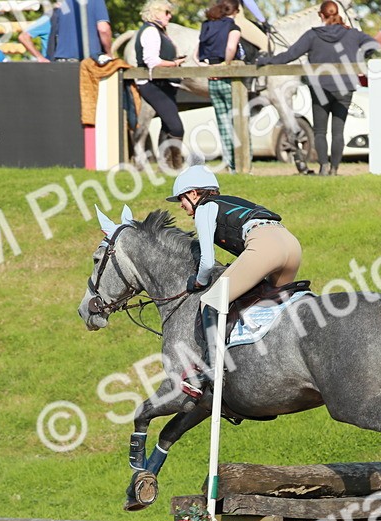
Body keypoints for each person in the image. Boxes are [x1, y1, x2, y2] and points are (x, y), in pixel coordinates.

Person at [166, 165, 303, 395]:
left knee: (210, 301)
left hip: (265, 245)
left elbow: (207, 262)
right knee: (267, 302)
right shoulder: (229, 202)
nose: (181, 205)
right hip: (291, 244)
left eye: (181, 198)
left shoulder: (205, 208)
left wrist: (199, 282)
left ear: (193, 194)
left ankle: (211, 369)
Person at [257, 0, 381, 175]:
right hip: (345, 88)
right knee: (338, 131)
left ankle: (323, 167)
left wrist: (267, 61)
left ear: (321, 15)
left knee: (320, 131)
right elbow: (374, 45)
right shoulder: (353, 34)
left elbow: (289, 55)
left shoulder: (312, 35)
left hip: (320, 88)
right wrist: (358, 58)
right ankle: (334, 170)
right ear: (338, 14)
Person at [135, 0, 187, 169]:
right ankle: (175, 167)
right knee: (176, 128)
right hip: (153, 84)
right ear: (156, 12)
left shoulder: (159, 30)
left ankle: (166, 167)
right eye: (166, 12)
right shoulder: (150, 31)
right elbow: (152, 61)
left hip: (163, 84)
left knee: (167, 126)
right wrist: (174, 64)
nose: (169, 16)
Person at [198, 0, 244, 172]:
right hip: (228, 79)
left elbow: (196, 54)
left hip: (212, 79)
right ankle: (242, 163)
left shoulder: (207, 25)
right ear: (235, 11)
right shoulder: (233, 27)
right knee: (238, 120)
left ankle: (230, 164)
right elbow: (231, 47)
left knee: (223, 124)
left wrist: (207, 67)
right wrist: (225, 65)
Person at [48, 0, 112, 62]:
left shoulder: (63, 3)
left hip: (62, 59)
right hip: (90, 61)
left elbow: (54, 31)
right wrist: (108, 53)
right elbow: (103, 29)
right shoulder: (96, 1)